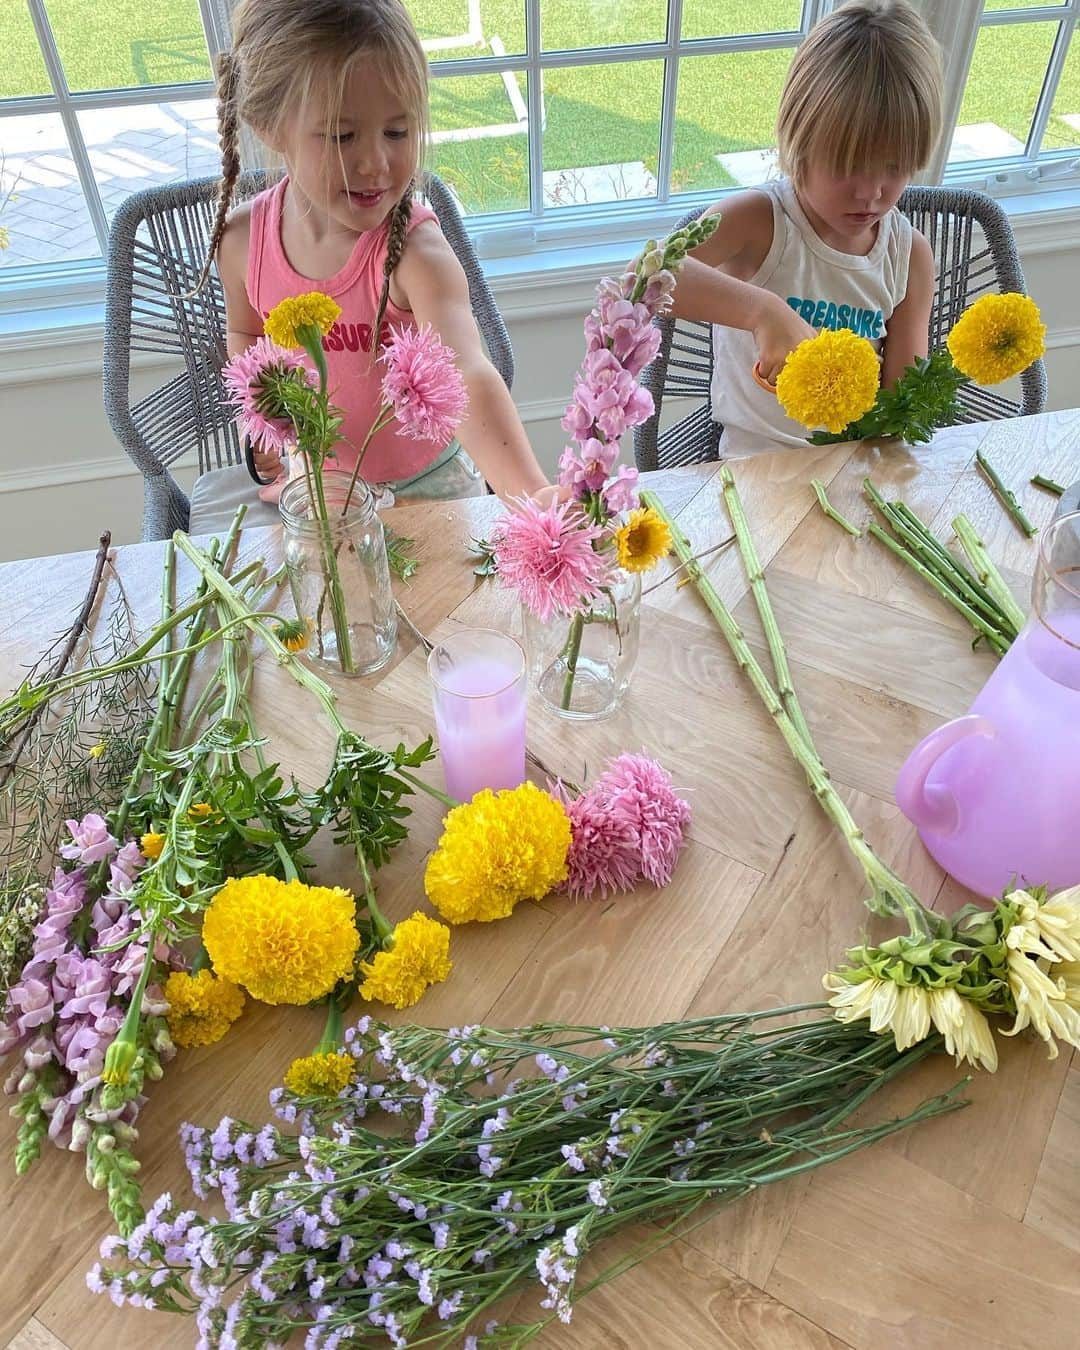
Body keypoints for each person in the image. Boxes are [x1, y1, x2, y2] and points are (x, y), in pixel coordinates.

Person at [188, 0, 552, 532]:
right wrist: (265, 414)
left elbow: (467, 373)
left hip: (431, 493)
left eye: (398, 132)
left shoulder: (415, 255)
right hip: (320, 489)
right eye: (342, 136)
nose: (376, 162)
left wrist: (530, 492)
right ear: (269, 125)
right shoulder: (243, 242)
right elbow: (247, 333)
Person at [670, 0, 943, 456]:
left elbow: (903, 406)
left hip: (853, 466)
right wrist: (762, 312)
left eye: (894, 168)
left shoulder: (908, 255)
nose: (870, 193)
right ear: (800, 142)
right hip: (754, 466)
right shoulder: (759, 220)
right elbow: (645, 280)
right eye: (848, 166)